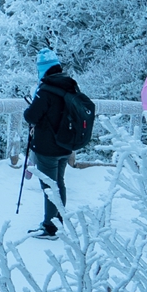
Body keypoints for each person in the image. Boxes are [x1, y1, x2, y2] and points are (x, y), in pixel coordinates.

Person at [22, 47, 84, 239]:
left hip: (47, 147)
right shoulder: (71, 86)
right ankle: (59, 220)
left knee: (49, 186)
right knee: (59, 183)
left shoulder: (45, 90)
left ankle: (50, 227)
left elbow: (31, 116)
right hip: (66, 144)